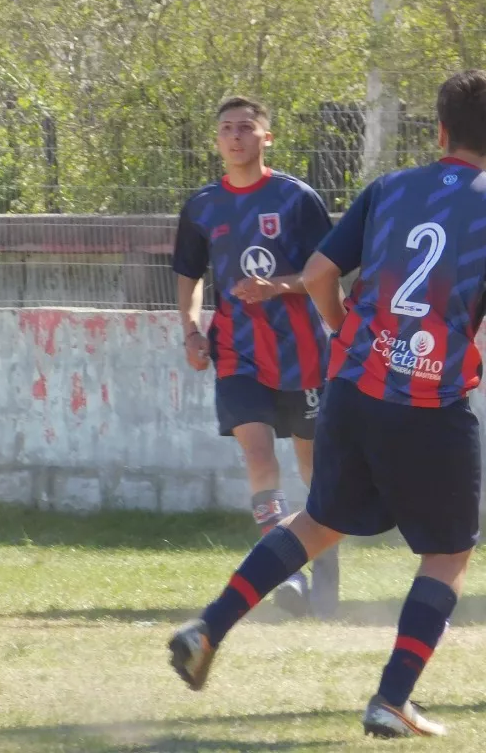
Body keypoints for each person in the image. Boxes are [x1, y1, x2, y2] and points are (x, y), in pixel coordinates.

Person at [167, 71, 486, 740]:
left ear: (437, 130)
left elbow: (320, 274)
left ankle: (208, 626)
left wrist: (342, 327)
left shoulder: (389, 188)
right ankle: (391, 699)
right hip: (430, 401)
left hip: (353, 385)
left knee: (320, 521)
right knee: (447, 555)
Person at [172, 96, 339, 619]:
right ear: (217, 140)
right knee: (259, 456)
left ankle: (326, 575)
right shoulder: (202, 206)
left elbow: (326, 270)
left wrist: (278, 286)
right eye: (226, 128)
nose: (236, 136)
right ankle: (282, 574)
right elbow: (189, 276)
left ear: (266, 138)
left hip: (303, 354)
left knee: (315, 473)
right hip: (238, 354)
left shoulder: (296, 199)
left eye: (246, 128)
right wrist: (191, 330)